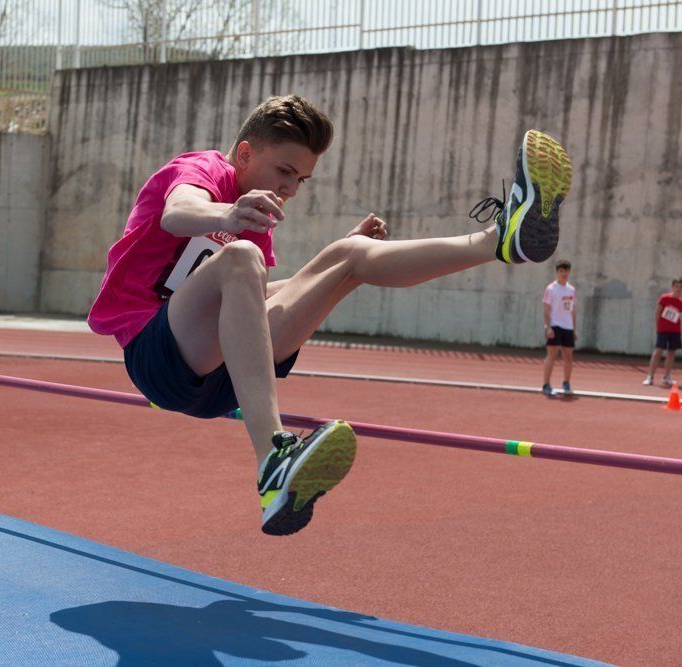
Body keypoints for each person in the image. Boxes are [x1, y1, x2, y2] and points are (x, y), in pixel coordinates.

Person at [86, 95, 573, 535]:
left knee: (349, 255)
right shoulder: (204, 172)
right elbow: (178, 210)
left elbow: (252, 303)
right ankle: (272, 460)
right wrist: (227, 216)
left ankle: (500, 241)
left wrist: (328, 268)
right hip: (157, 358)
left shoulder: (258, 221)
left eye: (301, 179)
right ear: (245, 153)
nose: (291, 189)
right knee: (242, 260)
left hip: (224, 378)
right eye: (284, 171)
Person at [542, 260, 577, 397]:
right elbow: (546, 309)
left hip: (567, 326)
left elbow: (573, 310)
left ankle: (566, 383)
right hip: (555, 326)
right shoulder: (551, 289)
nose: (564, 274)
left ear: (569, 272)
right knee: (552, 355)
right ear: (557, 272)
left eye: (566, 271)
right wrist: (548, 327)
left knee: (568, 357)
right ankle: (546, 384)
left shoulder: (571, 289)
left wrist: (574, 329)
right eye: (561, 271)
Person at [643, 278, 682, 386]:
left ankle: (666, 376)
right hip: (663, 329)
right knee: (658, 351)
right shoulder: (664, 298)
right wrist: (657, 327)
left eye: (681, 287)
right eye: (676, 286)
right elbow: (657, 312)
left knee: (671, 353)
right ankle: (650, 376)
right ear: (673, 287)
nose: (678, 289)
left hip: (675, 331)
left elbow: (679, 316)